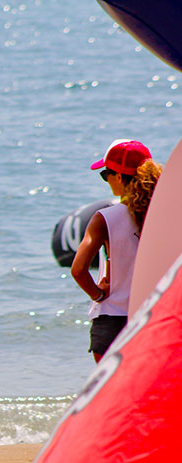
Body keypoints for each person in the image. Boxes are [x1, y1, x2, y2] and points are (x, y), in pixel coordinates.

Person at [71, 139, 162, 362]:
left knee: (115, 385)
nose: (106, 181)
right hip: (153, 316)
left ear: (119, 177)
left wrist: (98, 294)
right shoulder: (166, 215)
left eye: (106, 174)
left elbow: (78, 270)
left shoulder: (104, 218)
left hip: (112, 321)